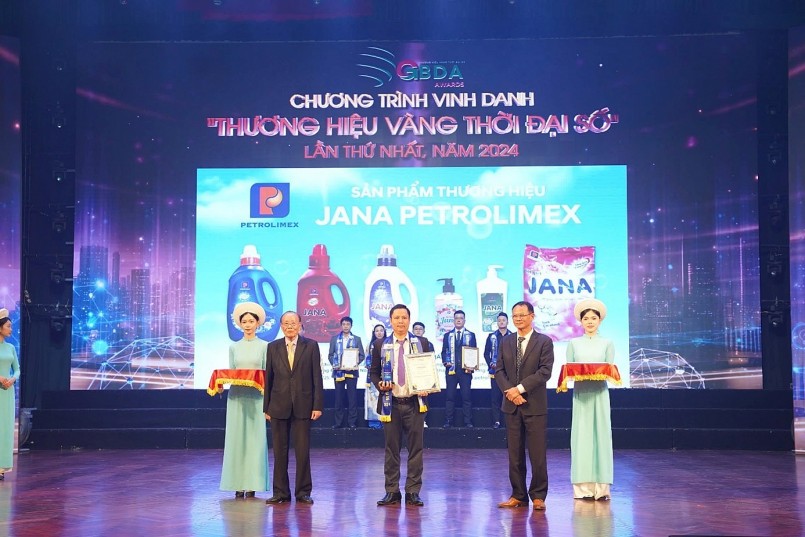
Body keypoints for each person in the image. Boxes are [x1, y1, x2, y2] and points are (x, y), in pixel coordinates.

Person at [370, 304, 431, 507]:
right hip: (391, 404)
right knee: (391, 449)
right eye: (396, 318)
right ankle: (392, 491)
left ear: (409, 319)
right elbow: (374, 372)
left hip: (415, 403)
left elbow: (429, 369)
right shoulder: (380, 344)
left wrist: (427, 385)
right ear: (390, 320)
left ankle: (413, 491)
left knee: (416, 449)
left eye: (404, 317)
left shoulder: (422, 342)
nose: (400, 321)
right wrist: (379, 384)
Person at [496, 301, 554, 511]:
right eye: (515, 316)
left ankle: (538, 495)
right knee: (515, 454)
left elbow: (544, 372)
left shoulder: (544, 341)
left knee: (537, 454)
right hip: (512, 405)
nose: (518, 319)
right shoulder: (506, 341)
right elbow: (499, 371)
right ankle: (518, 495)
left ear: (532, 316)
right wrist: (511, 393)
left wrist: (519, 389)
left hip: (534, 405)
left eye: (522, 315)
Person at [264, 311, 324, 505]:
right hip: (278, 405)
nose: (290, 326)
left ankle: (303, 492)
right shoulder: (272, 347)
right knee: (279, 452)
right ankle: (280, 492)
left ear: (299, 325)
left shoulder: (311, 346)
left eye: (293, 323)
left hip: (303, 405)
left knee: (302, 451)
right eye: (286, 323)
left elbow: (317, 377)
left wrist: (317, 405)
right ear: (281, 326)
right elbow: (268, 378)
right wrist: (266, 407)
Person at [566, 298, 615, 501]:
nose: (590, 322)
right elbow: (569, 368)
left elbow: (610, 369)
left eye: (593, 318)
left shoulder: (607, 343)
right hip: (581, 394)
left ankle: (601, 488)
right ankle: (582, 488)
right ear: (581, 321)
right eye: (586, 318)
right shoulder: (573, 343)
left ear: (600, 320)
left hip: (600, 393)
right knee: (581, 437)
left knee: (601, 436)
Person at [220, 302, 269, 498]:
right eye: (244, 322)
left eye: (251, 321)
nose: (248, 325)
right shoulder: (233, 347)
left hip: (257, 398)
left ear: (258, 323)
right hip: (237, 397)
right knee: (236, 439)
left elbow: (267, 374)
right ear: (240, 324)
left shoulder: (265, 346)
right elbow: (232, 372)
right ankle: (237, 484)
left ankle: (254, 483)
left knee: (256, 440)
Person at [441, 310, 477, 428]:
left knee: (466, 397)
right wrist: (445, 361)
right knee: (449, 396)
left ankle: (468, 421)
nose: (458, 320)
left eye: (461, 318)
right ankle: (448, 421)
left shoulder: (471, 335)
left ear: (464, 320)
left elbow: (473, 351)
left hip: (465, 371)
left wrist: (472, 365)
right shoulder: (447, 335)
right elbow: (444, 352)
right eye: (456, 318)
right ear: (453, 320)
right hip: (451, 370)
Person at [328, 316, 364, 429]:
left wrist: (354, 364)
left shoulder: (357, 339)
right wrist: (336, 364)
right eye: (344, 324)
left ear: (351, 326)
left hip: (351, 372)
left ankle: (352, 422)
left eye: (348, 324)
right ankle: (338, 422)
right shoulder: (334, 339)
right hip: (338, 372)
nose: (346, 326)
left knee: (352, 398)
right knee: (338, 398)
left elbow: (362, 355)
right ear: (341, 325)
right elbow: (330, 355)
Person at [483, 312, 512, 429]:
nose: (501, 322)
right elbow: (486, 353)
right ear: (497, 322)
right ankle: (496, 421)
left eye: (503, 320)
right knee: (495, 397)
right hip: (495, 371)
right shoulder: (492, 336)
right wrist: (490, 363)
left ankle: (508, 421)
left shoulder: (513, 336)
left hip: (509, 373)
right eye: (499, 320)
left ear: (507, 322)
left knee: (508, 397)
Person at [0, 309, 19, 481]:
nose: (11, 329)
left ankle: (2, 466)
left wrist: (12, 379)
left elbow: (17, 369)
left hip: (7, 391)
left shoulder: (11, 348)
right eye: (8, 326)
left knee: (5, 427)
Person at [412, 321, 435, 428]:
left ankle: (423, 420)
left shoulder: (429, 344)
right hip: (411, 374)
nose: (418, 331)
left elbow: (431, 359)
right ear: (412, 331)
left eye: (420, 329)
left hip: (424, 374)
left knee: (423, 397)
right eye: (416, 329)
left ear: (424, 331)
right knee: (411, 399)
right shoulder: (408, 343)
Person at [364, 324, 386, 430]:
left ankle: (385, 420)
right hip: (373, 375)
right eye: (377, 331)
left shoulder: (389, 343)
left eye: (381, 330)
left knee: (385, 398)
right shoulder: (369, 345)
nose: (379, 333)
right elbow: (366, 359)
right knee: (372, 398)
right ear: (374, 332)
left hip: (386, 375)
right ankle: (374, 422)